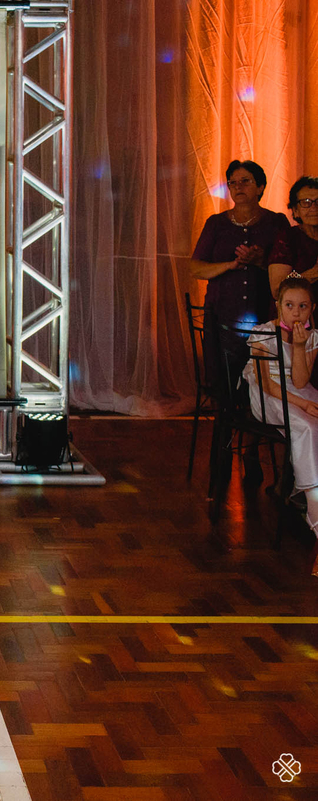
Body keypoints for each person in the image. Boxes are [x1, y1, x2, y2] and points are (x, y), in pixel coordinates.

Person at [189, 160, 290, 394]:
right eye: (232, 182)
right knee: (224, 380)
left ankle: (258, 415)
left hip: (265, 315)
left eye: (245, 181)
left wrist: (260, 261)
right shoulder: (216, 223)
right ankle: (226, 413)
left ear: (261, 187)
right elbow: (195, 268)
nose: (238, 187)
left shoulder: (276, 222)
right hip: (222, 315)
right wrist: (231, 264)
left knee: (264, 380)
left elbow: (288, 269)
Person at [244, 274, 318, 577]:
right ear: (278, 306)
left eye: (303, 306)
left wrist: (300, 347)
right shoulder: (263, 333)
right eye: (289, 305)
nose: (296, 313)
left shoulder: (312, 337)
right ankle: (314, 506)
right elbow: (269, 385)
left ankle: (303, 491)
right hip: (270, 395)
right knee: (307, 427)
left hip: (298, 391)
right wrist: (304, 406)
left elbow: (300, 381)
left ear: (312, 308)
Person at [267, 176, 318, 298]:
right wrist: (312, 274)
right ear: (295, 210)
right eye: (305, 202)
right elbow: (277, 290)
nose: (314, 208)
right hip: (297, 308)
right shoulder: (288, 238)